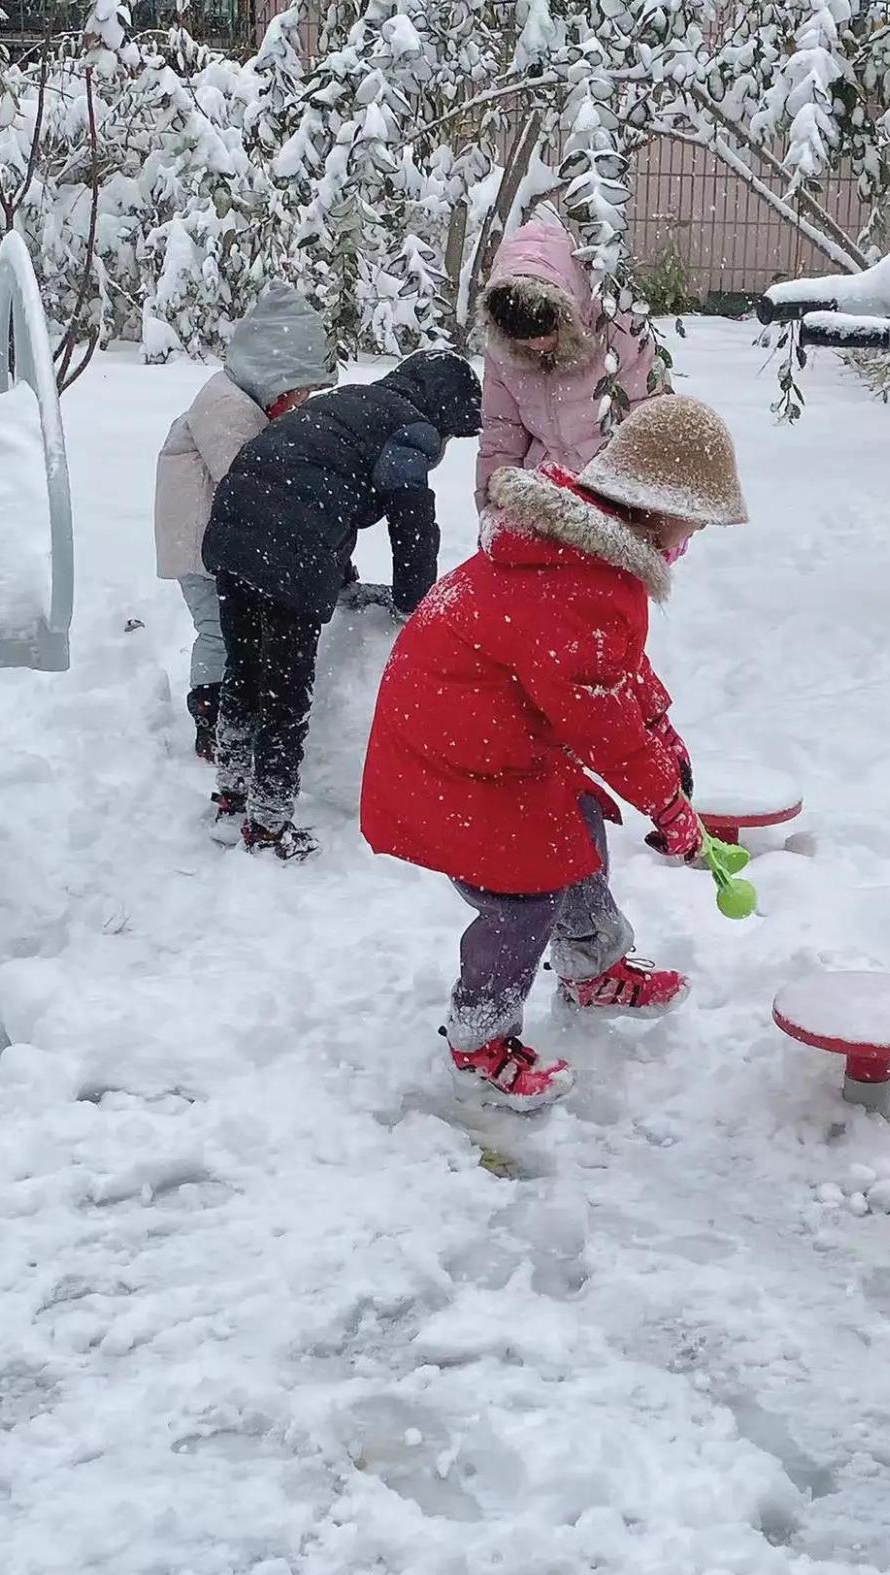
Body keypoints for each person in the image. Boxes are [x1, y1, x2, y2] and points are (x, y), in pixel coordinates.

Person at [360, 396, 748, 1107]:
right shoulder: (581, 581)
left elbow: (615, 669)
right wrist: (667, 802)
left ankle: (591, 967)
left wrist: (662, 731)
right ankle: (479, 1036)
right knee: (519, 898)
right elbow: (597, 716)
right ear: (656, 507)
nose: (696, 534)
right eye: (695, 518)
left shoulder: (588, 558)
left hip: (492, 737)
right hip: (457, 757)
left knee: (577, 827)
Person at [202, 349, 483, 861]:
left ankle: (233, 790)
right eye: (450, 433)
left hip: (233, 525)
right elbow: (411, 519)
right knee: (286, 692)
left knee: (244, 672)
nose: (444, 445)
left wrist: (343, 576)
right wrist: (411, 601)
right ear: (442, 412)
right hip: (287, 551)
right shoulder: (411, 429)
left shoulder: (351, 402)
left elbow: (324, 491)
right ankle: (268, 824)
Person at [154, 284, 336, 761]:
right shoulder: (226, 404)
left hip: (219, 541)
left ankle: (231, 714)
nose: (301, 404)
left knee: (235, 634)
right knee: (218, 633)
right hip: (199, 544)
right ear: (275, 376)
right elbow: (249, 478)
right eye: (299, 392)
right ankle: (210, 719)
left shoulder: (242, 400)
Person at [474, 221, 668, 511]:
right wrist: (495, 511)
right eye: (525, 341)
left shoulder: (617, 332)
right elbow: (502, 437)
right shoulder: (504, 351)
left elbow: (647, 424)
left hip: (612, 493)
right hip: (544, 498)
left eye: (544, 334)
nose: (536, 346)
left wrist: (646, 514)